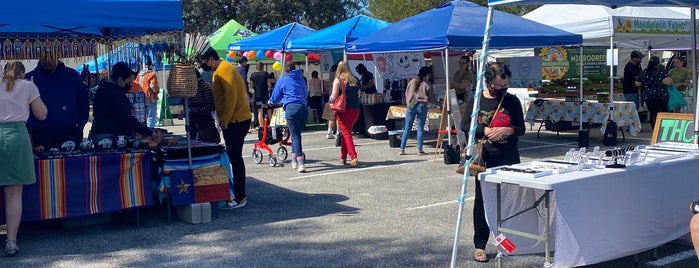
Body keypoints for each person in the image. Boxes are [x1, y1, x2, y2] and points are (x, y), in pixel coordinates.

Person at [460, 62, 525, 263]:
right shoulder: (476, 100)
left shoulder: (512, 101)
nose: (502, 90)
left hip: (508, 158)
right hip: (484, 159)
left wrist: (508, 130)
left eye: (505, 86)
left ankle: (510, 241)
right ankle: (480, 245)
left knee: (511, 200)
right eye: (498, 87)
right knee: (482, 201)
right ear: (488, 83)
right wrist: (485, 131)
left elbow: (521, 128)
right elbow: (464, 124)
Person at [1, 61, 48, 257]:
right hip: (17, 136)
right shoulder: (29, 85)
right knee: (14, 193)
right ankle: (11, 241)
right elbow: (42, 114)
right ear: (22, 73)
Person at [200, 48, 251, 209]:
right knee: (233, 157)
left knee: (236, 158)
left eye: (203, 62)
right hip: (232, 120)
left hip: (236, 120)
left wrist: (225, 121)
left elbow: (231, 98)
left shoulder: (225, 69)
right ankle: (237, 193)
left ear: (210, 59)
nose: (203, 66)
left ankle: (240, 197)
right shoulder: (219, 70)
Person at [26, 57, 89, 149]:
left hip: (71, 133)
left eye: (51, 57)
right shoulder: (30, 78)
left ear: (57, 56)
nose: (48, 60)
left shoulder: (72, 75)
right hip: (40, 135)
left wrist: (80, 126)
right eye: (45, 57)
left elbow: (83, 101)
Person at [90, 62, 155, 142]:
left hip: (97, 133)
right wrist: (148, 132)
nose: (130, 86)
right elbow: (127, 118)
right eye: (129, 82)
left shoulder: (102, 89)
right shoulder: (116, 93)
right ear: (120, 79)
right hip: (111, 135)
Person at [270, 62, 308, 172]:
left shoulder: (283, 80)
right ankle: (294, 158)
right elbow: (305, 93)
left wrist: (271, 101)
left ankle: (300, 161)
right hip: (303, 108)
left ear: (286, 69)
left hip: (291, 108)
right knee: (296, 134)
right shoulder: (301, 79)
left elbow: (276, 96)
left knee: (295, 136)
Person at [398, 66, 436, 156]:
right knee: (420, 128)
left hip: (411, 105)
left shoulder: (411, 82)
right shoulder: (428, 85)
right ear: (427, 75)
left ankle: (402, 149)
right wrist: (439, 103)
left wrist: (408, 103)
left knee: (407, 128)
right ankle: (420, 150)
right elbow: (432, 99)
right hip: (422, 106)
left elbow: (406, 93)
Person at [329, 61, 361, 168]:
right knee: (345, 132)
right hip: (355, 109)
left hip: (343, 110)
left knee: (346, 133)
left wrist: (330, 101)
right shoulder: (355, 79)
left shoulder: (338, 80)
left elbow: (333, 96)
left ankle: (353, 156)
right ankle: (343, 156)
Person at [181, 69, 219, 144]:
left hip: (204, 125)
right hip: (192, 125)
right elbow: (188, 106)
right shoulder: (189, 89)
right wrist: (184, 112)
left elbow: (211, 106)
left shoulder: (205, 87)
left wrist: (192, 110)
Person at [635, 56, 673, 130]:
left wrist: (646, 83)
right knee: (664, 112)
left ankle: (655, 129)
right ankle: (665, 129)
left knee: (653, 112)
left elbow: (637, 83)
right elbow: (668, 82)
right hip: (661, 95)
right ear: (658, 63)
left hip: (648, 95)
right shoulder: (661, 71)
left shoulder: (644, 72)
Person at [249, 62, 270, 129]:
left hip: (257, 95)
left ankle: (261, 126)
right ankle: (271, 125)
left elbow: (251, 86)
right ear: (263, 66)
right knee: (268, 110)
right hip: (265, 95)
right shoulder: (266, 74)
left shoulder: (253, 75)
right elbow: (269, 84)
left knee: (260, 111)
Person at [139, 63, 160, 128]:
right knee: (151, 115)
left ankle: (144, 129)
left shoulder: (139, 75)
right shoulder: (152, 74)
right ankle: (150, 130)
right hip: (150, 97)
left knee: (143, 116)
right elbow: (152, 85)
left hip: (141, 97)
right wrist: (156, 90)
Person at [326, 64, 339, 139]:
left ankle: (329, 131)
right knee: (338, 116)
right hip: (337, 97)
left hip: (330, 96)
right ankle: (338, 132)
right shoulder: (337, 75)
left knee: (330, 116)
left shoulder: (330, 74)